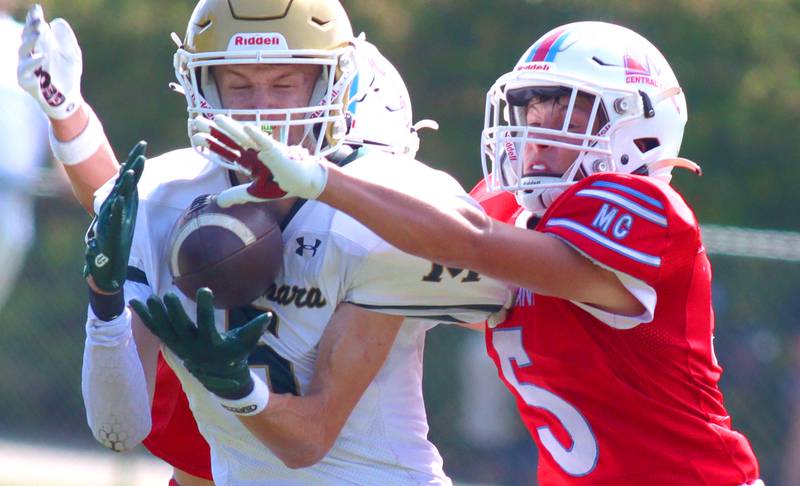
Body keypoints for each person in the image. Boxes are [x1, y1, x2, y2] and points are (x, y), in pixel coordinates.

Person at [207, 21, 763, 485]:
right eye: (533, 115)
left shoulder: (644, 208)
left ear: (641, 131)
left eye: (567, 117)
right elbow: (410, 269)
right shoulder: (507, 214)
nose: (538, 136)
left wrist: (324, 178)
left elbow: (467, 241)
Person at [78, 0, 511, 485]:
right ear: (203, 85)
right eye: (239, 86)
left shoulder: (379, 207)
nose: (262, 110)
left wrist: (236, 386)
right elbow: (118, 427)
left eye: (285, 84)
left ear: (331, 83)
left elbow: (308, 441)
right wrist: (106, 304)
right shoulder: (160, 197)